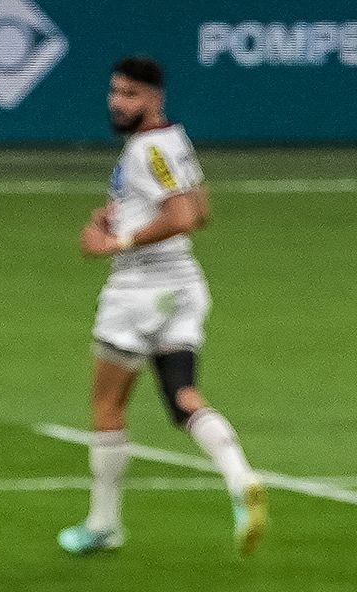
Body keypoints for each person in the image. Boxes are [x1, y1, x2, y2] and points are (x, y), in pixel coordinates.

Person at [58, 56, 268, 561]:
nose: (117, 102)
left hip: (137, 292)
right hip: (184, 285)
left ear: (154, 98)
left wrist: (118, 240)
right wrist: (123, 214)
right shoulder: (174, 140)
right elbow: (201, 212)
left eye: (130, 94)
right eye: (114, 91)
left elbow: (180, 216)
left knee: (108, 405)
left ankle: (104, 524)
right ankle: (241, 478)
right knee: (182, 396)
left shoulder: (145, 149)